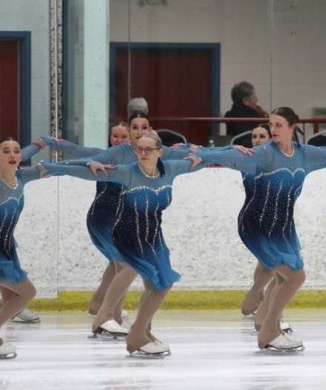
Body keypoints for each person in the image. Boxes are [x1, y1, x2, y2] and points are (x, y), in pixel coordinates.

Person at [41, 132, 209, 357]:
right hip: (128, 236)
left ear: (160, 152)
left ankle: (145, 332)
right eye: (139, 148)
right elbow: (82, 169)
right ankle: (137, 334)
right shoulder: (127, 172)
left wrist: (215, 152)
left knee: (153, 286)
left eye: (148, 149)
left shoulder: (171, 168)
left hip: (153, 237)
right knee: (163, 283)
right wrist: (53, 166)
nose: (142, 153)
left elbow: (197, 159)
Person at [195, 107, 326, 352]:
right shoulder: (263, 154)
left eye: (278, 125)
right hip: (257, 225)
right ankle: (268, 331)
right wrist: (195, 152)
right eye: (270, 124)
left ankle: (264, 320)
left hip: (283, 227)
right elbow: (217, 156)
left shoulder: (303, 154)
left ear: (291, 128)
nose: (273, 130)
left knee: (284, 277)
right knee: (296, 276)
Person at [41, 122, 132, 326]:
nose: (118, 140)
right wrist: (47, 142)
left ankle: (98, 305)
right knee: (126, 265)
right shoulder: (101, 156)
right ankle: (110, 315)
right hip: (104, 217)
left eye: (123, 137)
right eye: (115, 136)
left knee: (117, 264)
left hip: (119, 218)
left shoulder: (138, 159)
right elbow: (76, 151)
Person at [0, 137, 47, 358]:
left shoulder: (21, 177)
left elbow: (53, 168)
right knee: (27, 292)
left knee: (11, 296)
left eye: (16, 151)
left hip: (7, 247)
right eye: (5, 151)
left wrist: (88, 163)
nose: (12, 155)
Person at [240, 123, 275, 318]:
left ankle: (259, 301)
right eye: (254, 136)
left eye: (262, 136)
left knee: (264, 262)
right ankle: (253, 298)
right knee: (273, 263)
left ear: (270, 139)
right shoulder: (246, 161)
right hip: (255, 217)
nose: (257, 140)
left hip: (271, 217)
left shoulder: (275, 160)